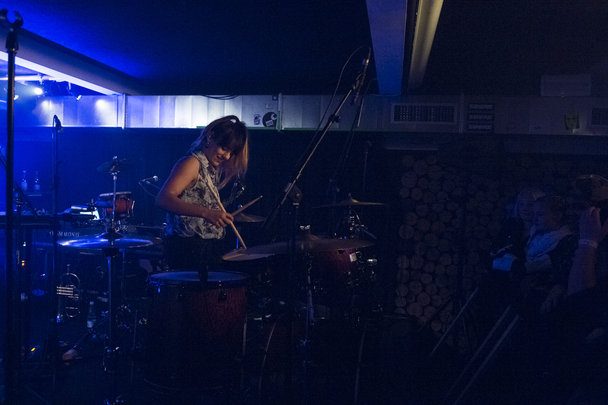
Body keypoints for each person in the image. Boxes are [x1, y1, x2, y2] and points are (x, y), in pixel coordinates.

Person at [156, 115, 249, 280]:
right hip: (188, 250)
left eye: (231, 152)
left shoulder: (210, 168)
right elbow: (163, 199)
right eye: (224, 148)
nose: (227, 156)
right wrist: (207, 213)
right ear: (210, 137)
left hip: (204, 251)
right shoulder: (192, 163)